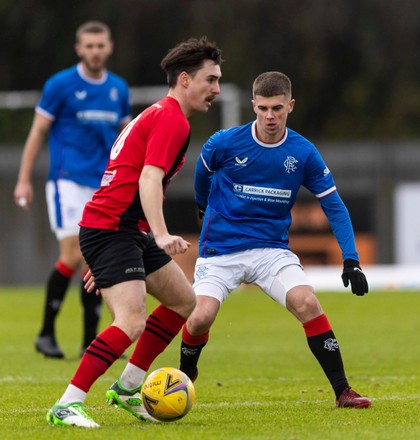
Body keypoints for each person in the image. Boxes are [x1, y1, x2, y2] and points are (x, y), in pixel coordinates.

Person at [45, 36, 223, 428]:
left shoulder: (158, 113)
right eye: (210, 80)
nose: (216, 89)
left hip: (120, 230)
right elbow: (148, 177)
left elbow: (130, 177)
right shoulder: (172, 119)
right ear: (184, 79)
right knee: (130, 320)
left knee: (183, 301)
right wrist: (159, 235)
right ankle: (67, 403)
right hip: (113, 229)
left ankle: (127, 388)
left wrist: (118, 246)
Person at [178, 71, 372, 409]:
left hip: (271, 251)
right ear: (253, 105)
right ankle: (183, 376)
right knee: (200, 318)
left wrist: (351, 258)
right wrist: (201, 201)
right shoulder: (224, 142)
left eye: (278, 109)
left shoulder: (303, 152)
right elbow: (202, 171)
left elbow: (334, 206)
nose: (270, 116)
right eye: (264, 108)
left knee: (308, 303)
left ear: (290, 106)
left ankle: (343, 391)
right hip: (221, 250)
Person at [13, 21, 132, 359]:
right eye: (89, 46)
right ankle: (46, 333)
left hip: (104, 185)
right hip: (67, 180)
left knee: (93, 257)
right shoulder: (61, 85)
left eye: (100, 45)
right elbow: (38, 132)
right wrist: (24, 178)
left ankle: (88, 341)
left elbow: (125, 138)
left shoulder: (118, 89)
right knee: (74, 254)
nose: (95, 51)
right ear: (79, 49)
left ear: (109, 48)